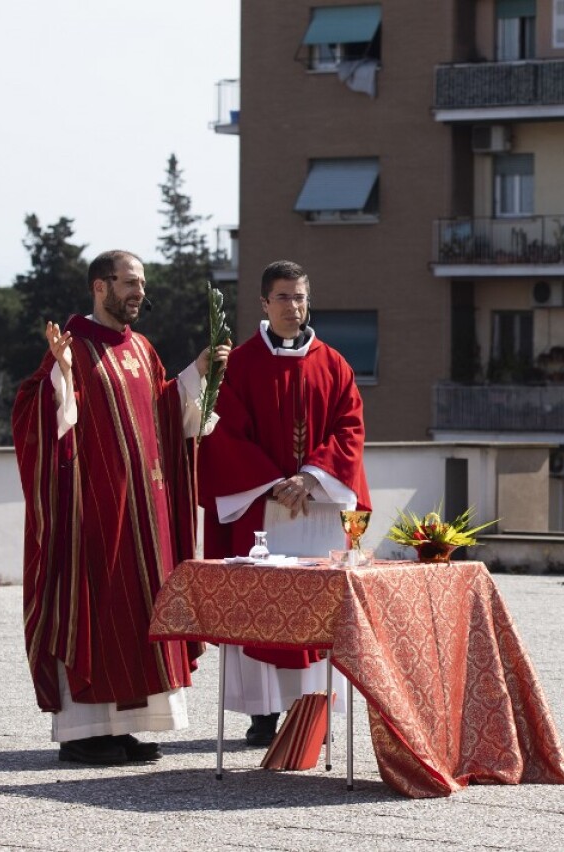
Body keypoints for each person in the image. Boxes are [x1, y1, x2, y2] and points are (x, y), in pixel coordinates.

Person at [12, 250, 230, 766]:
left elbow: (164, 410)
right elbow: (36, 416)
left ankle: (126, 727)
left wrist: (199, 372)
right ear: (99, 287)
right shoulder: (74, 349)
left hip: (144, 516)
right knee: (97, 613)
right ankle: (83, 733)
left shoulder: (143, 348)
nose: (138, 292)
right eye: (129, 283)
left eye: (141, 284)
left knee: (139, 616)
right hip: (94, 515)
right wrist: (59, 379)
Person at [198, 260, 370, 746]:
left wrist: (311, 476)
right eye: (283, 298)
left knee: (315, 609)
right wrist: (275, 482)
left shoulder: (334, 363)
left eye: (299, 297)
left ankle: (310, 709)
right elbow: (224, 432)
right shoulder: (243, 363)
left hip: (316, 509)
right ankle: (263, 714)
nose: (293, 307)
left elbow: (350, 429)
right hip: (263, 510)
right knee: (262, 607)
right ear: (263, 303)